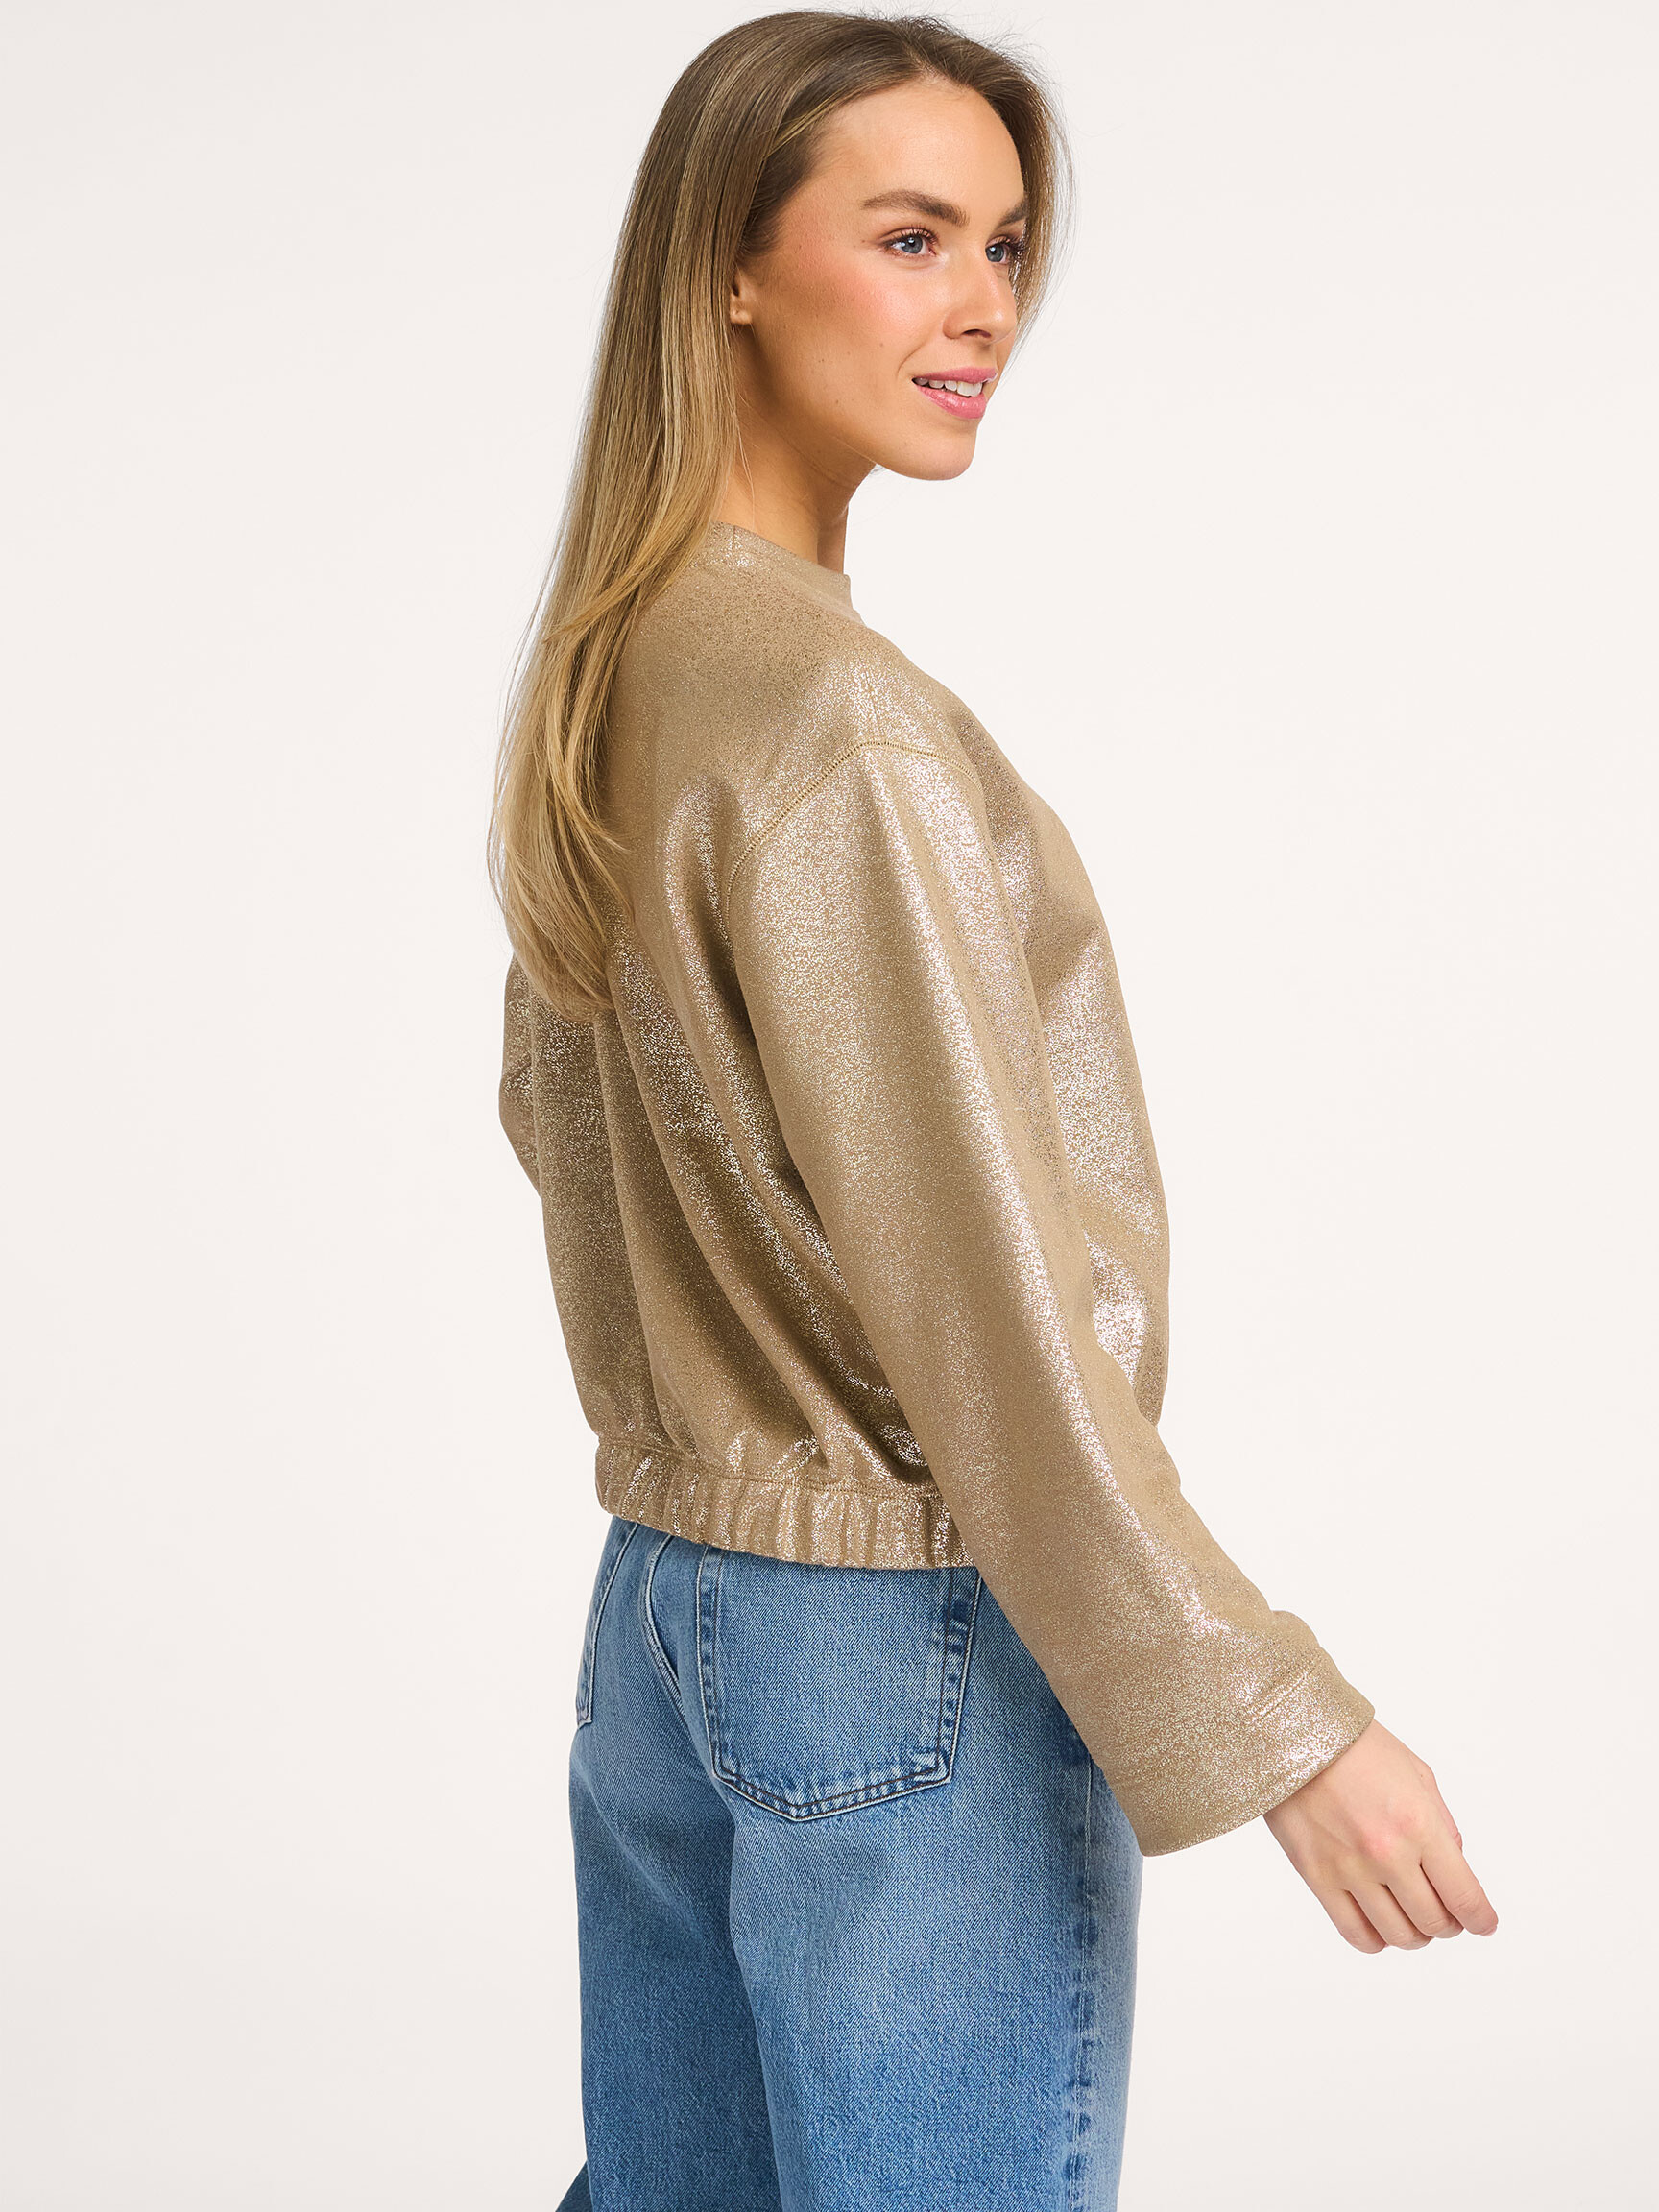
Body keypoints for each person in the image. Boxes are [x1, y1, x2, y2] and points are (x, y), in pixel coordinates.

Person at [489, 13, 1498, 2208]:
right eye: (910, 236)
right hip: (897, 1644)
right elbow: (980, 1309)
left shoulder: (618, 671)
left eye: (1007, 246)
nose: (981, 309)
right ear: (727, 264)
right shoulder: (833, 722)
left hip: (673, 1615)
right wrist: (1276, 1720)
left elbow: (564, 1142)